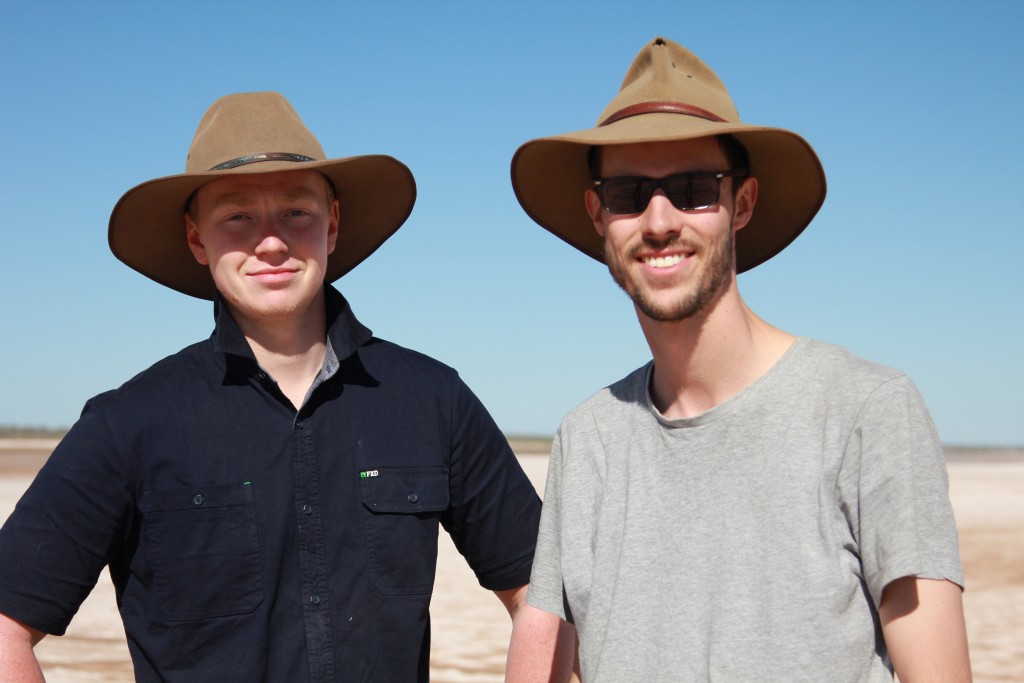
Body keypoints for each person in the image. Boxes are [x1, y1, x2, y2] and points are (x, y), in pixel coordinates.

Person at [0, 91, 570, 682]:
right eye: (237, 217)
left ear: (333, 226)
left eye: (296, 212)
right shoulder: (128, 423)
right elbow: (7, 625)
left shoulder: (431, 399)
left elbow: (540, 595)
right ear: (197, 240)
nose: (271, 241)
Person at [507, 37, 971, 682]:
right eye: (628, 194)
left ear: (742, 204)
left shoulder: (865, 409)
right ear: (597, 215)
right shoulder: (589, 437)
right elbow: (543, 644)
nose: (660, 220)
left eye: (695, 189)